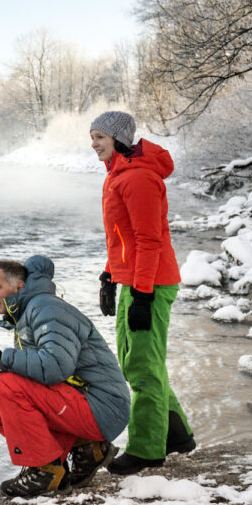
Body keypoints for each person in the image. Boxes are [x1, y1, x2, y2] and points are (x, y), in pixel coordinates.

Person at [89, 110, 196, 475]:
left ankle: (148, 449)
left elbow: (150, 240)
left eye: (100, 137)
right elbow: (123, 238)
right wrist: (109, 276)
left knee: (141, 367)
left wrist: (145, 294)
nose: (94, 144)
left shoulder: (137, 180)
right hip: (133, 280)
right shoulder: (117, 176)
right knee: (137, 359)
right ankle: (176, 434)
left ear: (118, 139)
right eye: (92, 137)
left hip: (149, 283)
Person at [0, 256, 130, 497]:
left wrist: (2, 360)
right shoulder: (30, 311)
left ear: (19, 286)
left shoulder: (47, 308)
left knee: (7, 383)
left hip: (104, 407)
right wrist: (2, 362)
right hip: (84, 403)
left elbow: (56, 365)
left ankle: (46, 473)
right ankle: (83, 451)